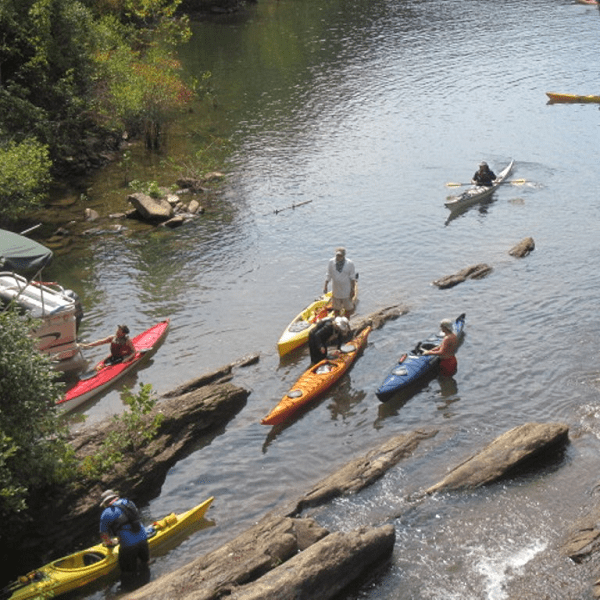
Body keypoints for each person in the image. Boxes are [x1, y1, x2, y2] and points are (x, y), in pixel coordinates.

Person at [99, 489, 150, 591]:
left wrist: (110, 542)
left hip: (129, 545)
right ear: (115, 496)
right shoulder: (129, 502)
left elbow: (104, 535)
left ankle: (128, 591)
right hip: (143, 538)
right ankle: (147, 583)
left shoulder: (106, 513)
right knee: (144, 563)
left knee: (127, 571)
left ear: (105, 502)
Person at [323, 247, 358, 316]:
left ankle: (346, 321)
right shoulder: (331, 262)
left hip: (346, 291)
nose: (338, 257)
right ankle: (337, 322)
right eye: (337, 255)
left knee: (349, 310)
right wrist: (325, 286)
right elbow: (329, 275)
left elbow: (352, 278)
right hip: (336, 291)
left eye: (340, 256)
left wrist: (352, 290)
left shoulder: (349, 263)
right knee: (336, 309)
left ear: (344, 256)